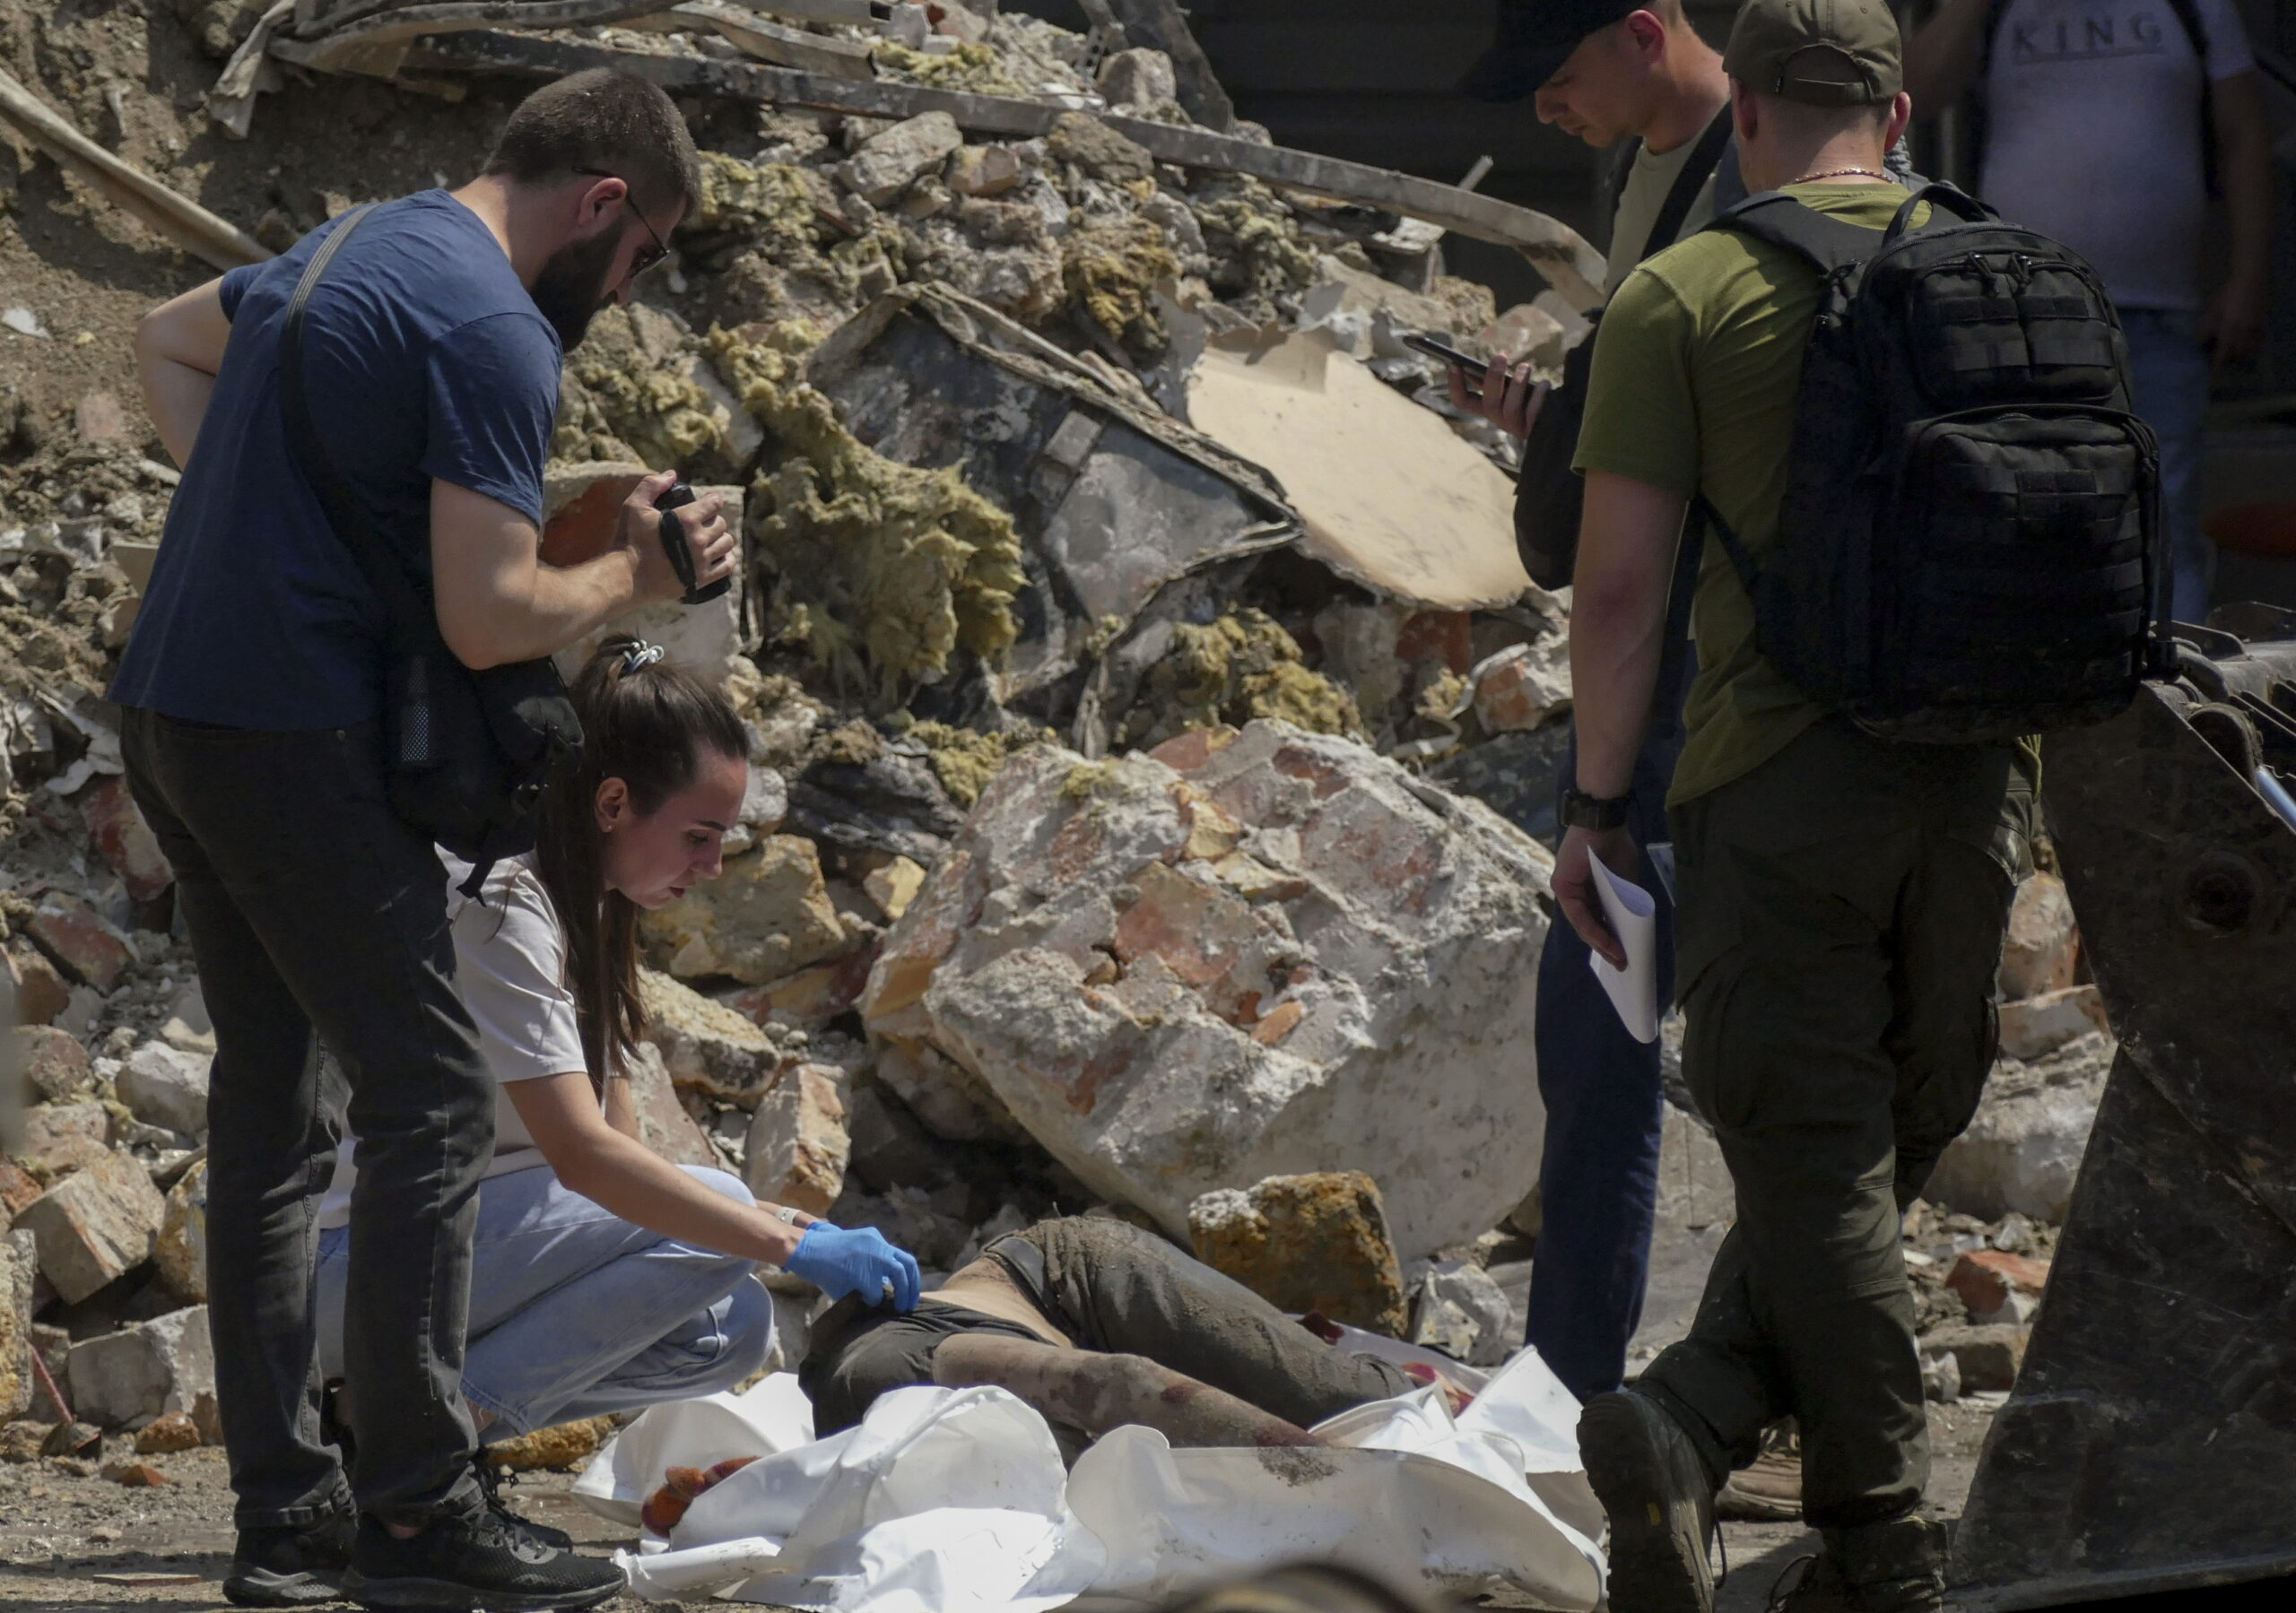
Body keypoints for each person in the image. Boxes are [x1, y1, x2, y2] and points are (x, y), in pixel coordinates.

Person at [114, 70, 740, 1611]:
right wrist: (638, 578)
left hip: (175, 709)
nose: (631, 284)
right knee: (436, 1098)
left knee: (274, 1107)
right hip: (292, 744)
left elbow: (165, 342)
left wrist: (279, 545)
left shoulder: (349, 247)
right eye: (645, 250)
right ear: (601, 203)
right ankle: (415, 1505)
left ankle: (287, 1521)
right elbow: (488, 611)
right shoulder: (493, 328)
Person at [1554, 1, 2035, 1609]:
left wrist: (1598, 804)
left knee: (1819, 1154)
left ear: (1740, 111)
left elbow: (1616, 597)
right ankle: (1692, 1424)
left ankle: (1884, 1540)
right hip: (1980, 774)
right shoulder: (2002, 265)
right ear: (1900, 121)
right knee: (1896, 1121)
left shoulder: (1683, 292)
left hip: (1777, 776)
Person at [312, 640, 922, 1468]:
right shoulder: (500, 905)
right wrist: (785, 1243)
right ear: (612, 801)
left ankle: (398, 1429)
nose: (710, 865)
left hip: (455, 1254)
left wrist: (789, 1225)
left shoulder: (589, 915)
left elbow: (627, 1152)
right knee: (718, 1214)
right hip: (352, 1266)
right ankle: (415, 1443)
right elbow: (584, 1158)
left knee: (731, 1330)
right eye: (699, 835)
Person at [1452, 0, 1732, 1414]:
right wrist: (1554, 428)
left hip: (1697, 675)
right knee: (1608, 1030)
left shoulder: (1745, 186)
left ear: (1644, 30)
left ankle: (1575, 1391)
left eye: (1557, 77)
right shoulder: (1642, 178)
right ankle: (1586, 1382)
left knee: (1617, 1019)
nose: (1545, 112)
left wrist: (1598, 797)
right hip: (1679, 669)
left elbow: (1665, 510)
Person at [1906, 0, 2274, 626]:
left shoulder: (2194, 5)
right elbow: (1912, 94)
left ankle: (2172, 704)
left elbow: (2243, 138)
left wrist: (2249, 279)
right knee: (2027, 521)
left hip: (2159, 318)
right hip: (2018, 320)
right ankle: (2050, 706)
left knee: (2163, 524)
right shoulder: (1995, 11)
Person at [800, 1215, 1457, 1458]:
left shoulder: (904, 1376)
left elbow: (1125, 1385)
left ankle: (1415, 1380)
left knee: (1363, 1409)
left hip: (1075, 1277)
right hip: (1042, 1326)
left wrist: (1327, 1473)